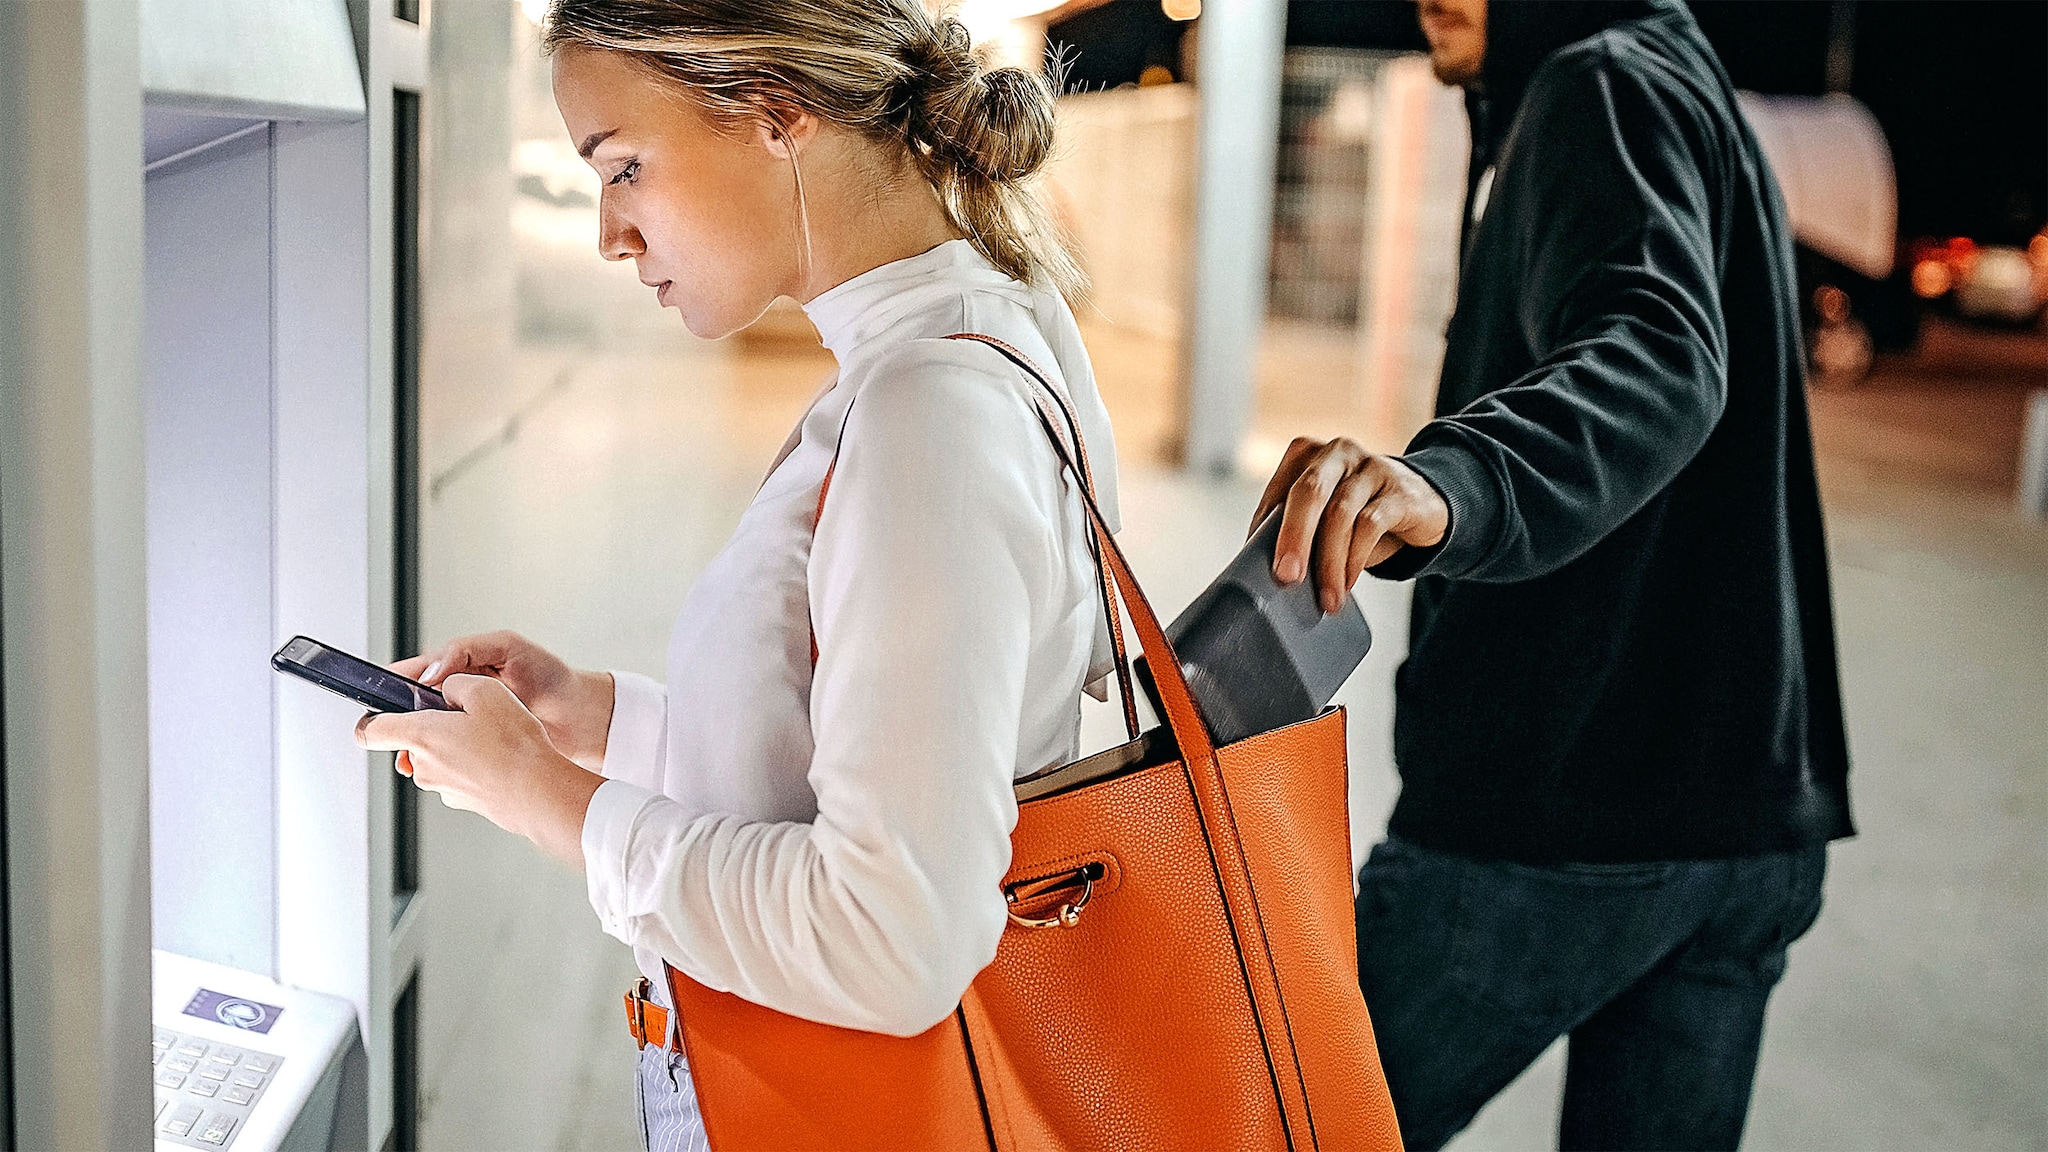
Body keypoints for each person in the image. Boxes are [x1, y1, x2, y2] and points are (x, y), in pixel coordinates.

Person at [355, 3, 1123, 1148]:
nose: (611, 232)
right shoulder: (967, 338)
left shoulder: (930, 410)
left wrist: (546, 798)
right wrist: (591, 719)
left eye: (624, 167)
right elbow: (853, 757)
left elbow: (891, 937)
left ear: (776, 115)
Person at [1253, 1, 1853, 1148]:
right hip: (1742, 819)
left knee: (1285, 1129)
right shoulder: (1679, 72)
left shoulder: (1599, 85)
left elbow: (1657, 354)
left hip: (1562, 815)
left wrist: (1454, 485)